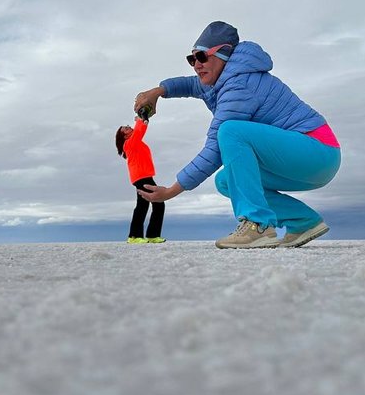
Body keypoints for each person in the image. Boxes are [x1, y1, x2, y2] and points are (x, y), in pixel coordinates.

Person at [133, 21, 341, 249]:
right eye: (192, 59)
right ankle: (303, 221)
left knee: (230, 131)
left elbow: (215, 150)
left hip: (317, 151)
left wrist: (171, 191)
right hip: (306, 162)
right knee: (226, 181)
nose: (196, 65)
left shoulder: (239, 85)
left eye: (202, 57)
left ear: (223, 54)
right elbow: (190, 85)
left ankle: (257, 224)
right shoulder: (221, 79)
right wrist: (158, 92)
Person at [115, 118, 166, 244]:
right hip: (141, 177)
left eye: (127, 126)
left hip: (144, 176)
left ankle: (148, 235)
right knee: (153, 204)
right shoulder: (129, 143)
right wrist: (141, 120)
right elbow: (139, 131)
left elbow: (139, 132)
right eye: (126, 128)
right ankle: (136, 236)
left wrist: (143, 120)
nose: (128, 127)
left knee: (149, 205)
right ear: (125, 135)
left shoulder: (134, 142)